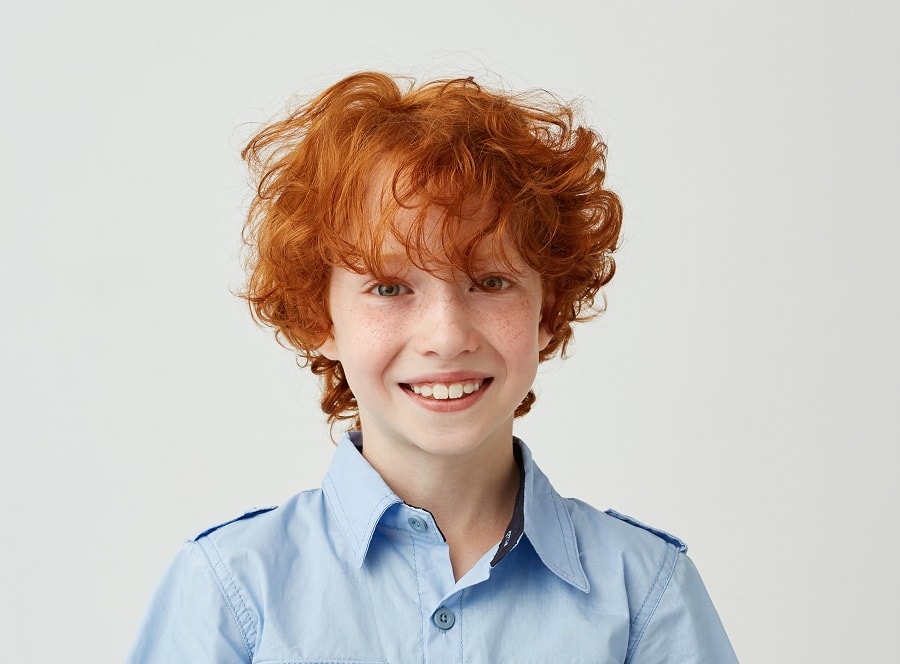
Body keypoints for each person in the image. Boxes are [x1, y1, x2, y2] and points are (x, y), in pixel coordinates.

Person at [127, 71, 738, 663]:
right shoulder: (232, 590)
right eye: (391, 288)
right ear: (322, 317)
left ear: (548, 309)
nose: (447, 337)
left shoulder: (645, 594)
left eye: (491, 281)